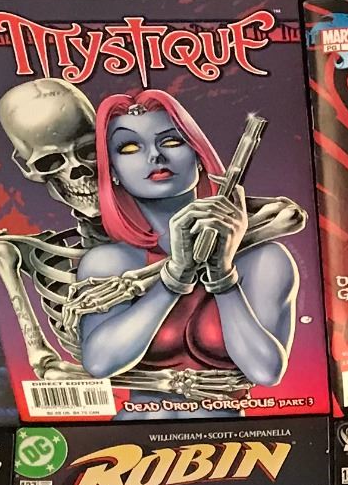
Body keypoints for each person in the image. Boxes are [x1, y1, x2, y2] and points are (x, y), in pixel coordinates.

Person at [74, 91, 300, 392]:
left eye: (170, 141)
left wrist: (222, 278)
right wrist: (173, 279)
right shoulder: (109, 262)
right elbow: (99, 364)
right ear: (112, 172)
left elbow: (266, 372)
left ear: (198, 154)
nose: (155, 156)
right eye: (129, 147)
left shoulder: (264, 259)